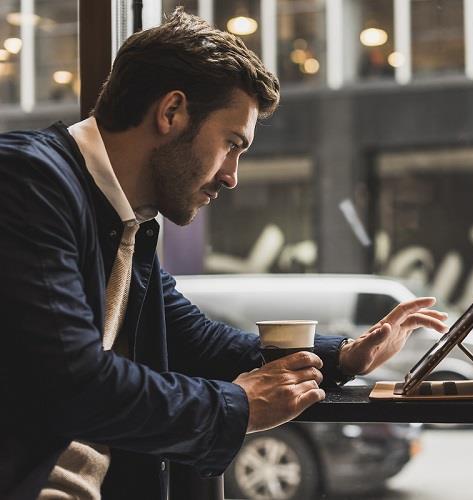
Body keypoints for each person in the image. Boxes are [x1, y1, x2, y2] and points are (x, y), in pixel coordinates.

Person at [0, 9, 448, 500]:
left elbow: (195, 341)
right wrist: (239, 406)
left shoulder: (124, 221)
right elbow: (71, 380)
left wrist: (343, 356)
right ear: (172, 113)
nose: (232, 175)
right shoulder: (26, 179)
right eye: (232, 144)